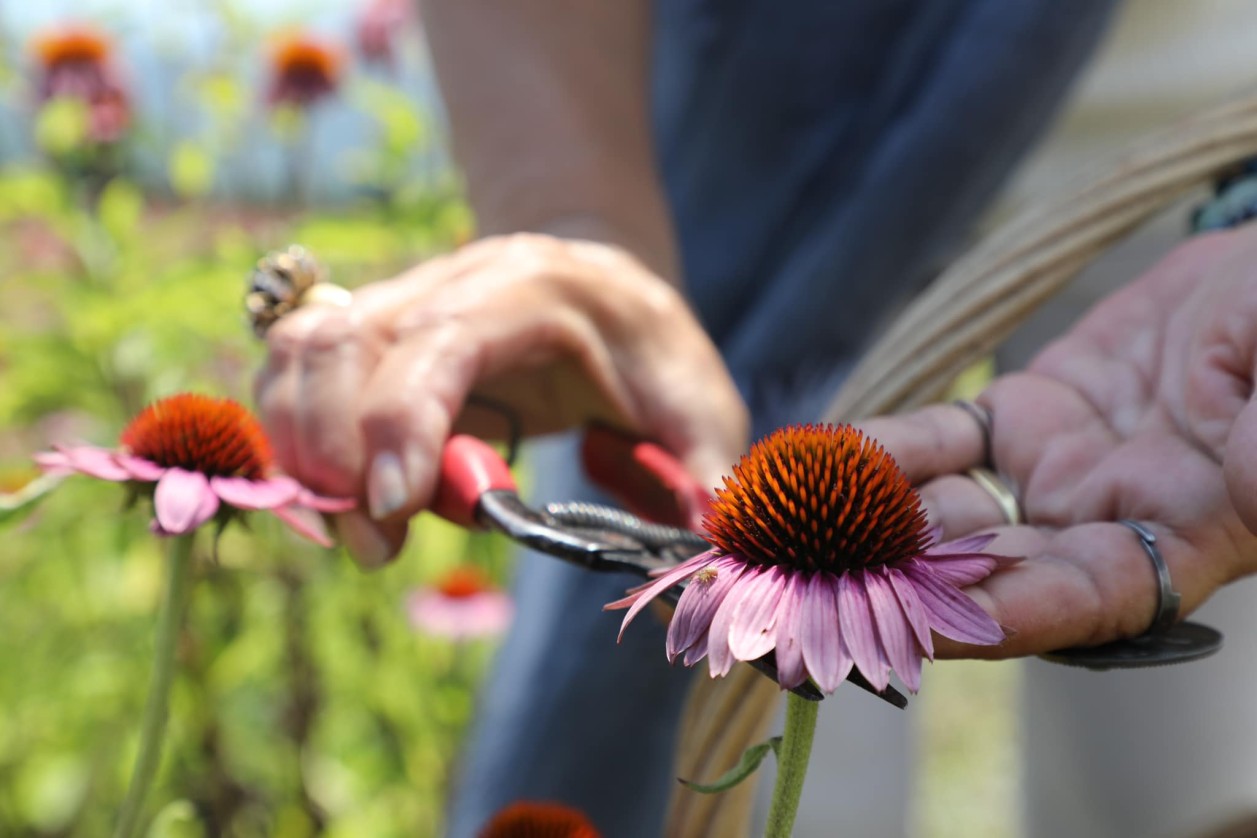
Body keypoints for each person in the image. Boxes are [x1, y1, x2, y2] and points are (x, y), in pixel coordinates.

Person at [256, 1, 1257, 835]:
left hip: (1219, 117)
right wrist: (572, 218)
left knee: (1211, 777)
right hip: (778, 119)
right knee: (760, 780)